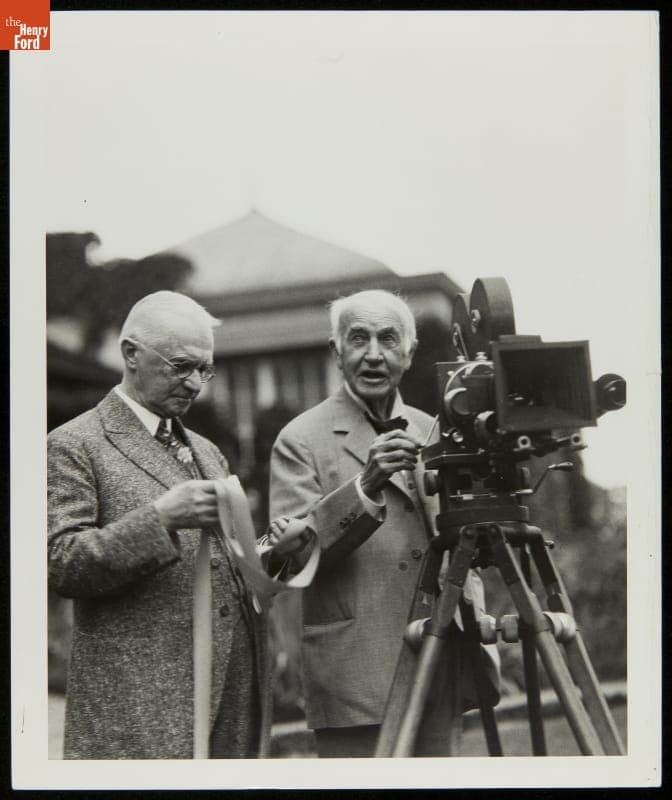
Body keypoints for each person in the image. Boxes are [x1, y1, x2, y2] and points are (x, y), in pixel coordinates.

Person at [268, 289, 499, 757]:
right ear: (337, 352)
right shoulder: (300, 439)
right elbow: (291, 559)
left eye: (388, 339)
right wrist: (365, 485)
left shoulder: (435, 428)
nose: (373, 354)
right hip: (355, 674)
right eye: (358, 338)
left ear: (408, 353)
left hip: (438, 662)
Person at [48, 290, 270, 759]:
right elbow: (62, 562)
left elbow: (219, 565)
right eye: (180, 366)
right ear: (130, 353)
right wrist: (160, 520)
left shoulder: (208, 450)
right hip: (138, 710)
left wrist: (270, 548)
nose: (195, 384)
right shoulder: (73, 445)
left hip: (227, 700)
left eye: (204, 369)